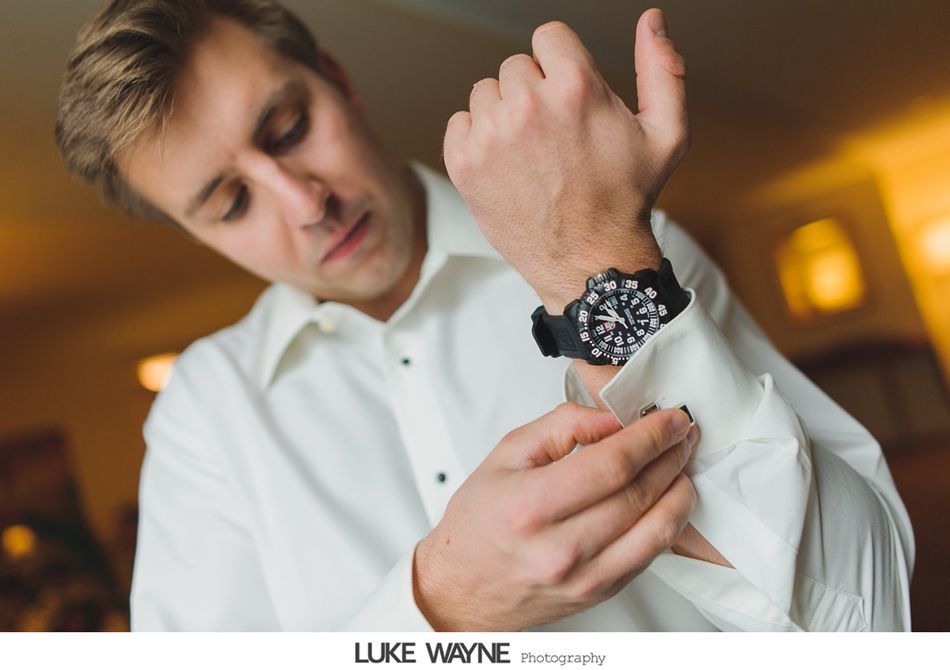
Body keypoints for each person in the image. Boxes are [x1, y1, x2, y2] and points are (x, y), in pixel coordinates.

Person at [55, 0, 913, 631]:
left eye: (287, 128)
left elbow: (868, 625)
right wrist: (441, 605)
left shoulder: (625, 244)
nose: (305, 203)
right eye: (231, 201)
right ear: (195, 233)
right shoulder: (206, 413)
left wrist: (594, 268)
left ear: (338, 81)